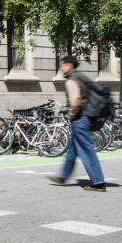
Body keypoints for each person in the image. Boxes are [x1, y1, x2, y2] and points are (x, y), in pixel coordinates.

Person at [48, 56, 107, 192]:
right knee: (73, 149)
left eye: (62, 65)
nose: (61, 68)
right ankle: (63, 176)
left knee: (87, 150)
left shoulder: (71, 80)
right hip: (88, 116)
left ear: (69, 66)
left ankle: (98, 182)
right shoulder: (81, 76)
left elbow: (77, 100)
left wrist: (70, 115)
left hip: (80, 119)